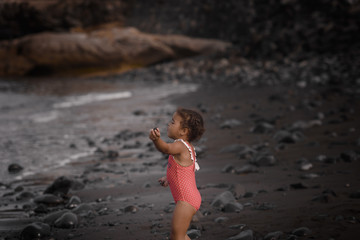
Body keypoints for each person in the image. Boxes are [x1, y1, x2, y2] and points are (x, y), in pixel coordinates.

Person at [149, 107, 205, 240]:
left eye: (173, 122)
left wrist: (156, 140)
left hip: (186, 200)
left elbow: (166, 148)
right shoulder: (186, 147)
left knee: (176, 235)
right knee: (180, 235)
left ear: (183, 131)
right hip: (189, 197)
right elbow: (182, 173)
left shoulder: (180, 146)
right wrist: (168, 178)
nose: (169, 124)